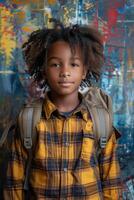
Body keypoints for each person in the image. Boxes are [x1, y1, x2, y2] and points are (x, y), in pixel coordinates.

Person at [3, 21, 122, 199]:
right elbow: (14, 182)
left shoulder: (99, 119)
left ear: (84, 71)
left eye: (73, 64)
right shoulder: (29, 119)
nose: (65, 72)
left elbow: (111, 182)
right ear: (43, 70)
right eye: (55, 64)